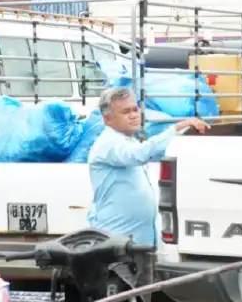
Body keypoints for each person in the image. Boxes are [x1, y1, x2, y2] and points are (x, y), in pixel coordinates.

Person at [87, 86, 209, 246]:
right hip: (116, 240)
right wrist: (176, 129)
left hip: (135, 240)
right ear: (107, 119)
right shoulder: (109, 143)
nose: (133, 115)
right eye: (125, 112)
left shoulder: (128, 140)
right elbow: (138, 154)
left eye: (135, 109)